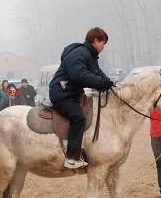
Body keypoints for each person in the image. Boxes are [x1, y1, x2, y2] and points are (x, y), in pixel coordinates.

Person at [49, 27, 114, 169]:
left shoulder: (90, 56)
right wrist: (102, 83)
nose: (104, 47)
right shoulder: (79, 54)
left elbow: (97, 73)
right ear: (96, 41)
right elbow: (80, 75)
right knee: (78, 117)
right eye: (104, 43)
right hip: (61, 94)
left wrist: (110, 85)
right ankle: (71, 158)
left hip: (71, 94)